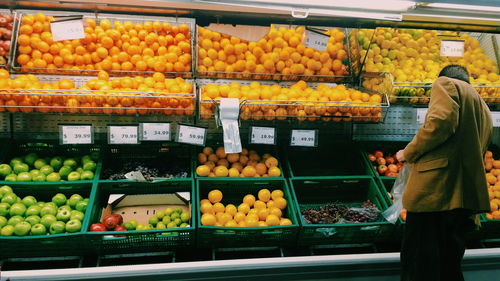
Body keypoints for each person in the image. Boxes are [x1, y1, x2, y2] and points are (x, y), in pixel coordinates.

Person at [396, 64, 492, 281]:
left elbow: (440, 122)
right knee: (448, 267)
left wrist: (408, 153)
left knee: (420, 266)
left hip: (434, 195)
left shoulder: (446, 83)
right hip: (461, 199)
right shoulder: (483, 108)